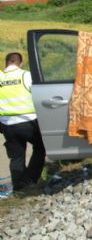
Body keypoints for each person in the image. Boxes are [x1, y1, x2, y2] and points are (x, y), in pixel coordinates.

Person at [0, 52, 45, 191]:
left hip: (6, 124)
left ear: (6, 62)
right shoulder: (25, 75)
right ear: (20, 62)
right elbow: (38, 95)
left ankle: (19, 187)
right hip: (27, 122)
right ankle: (30, 180)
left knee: (16, 156)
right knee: (41, 148)